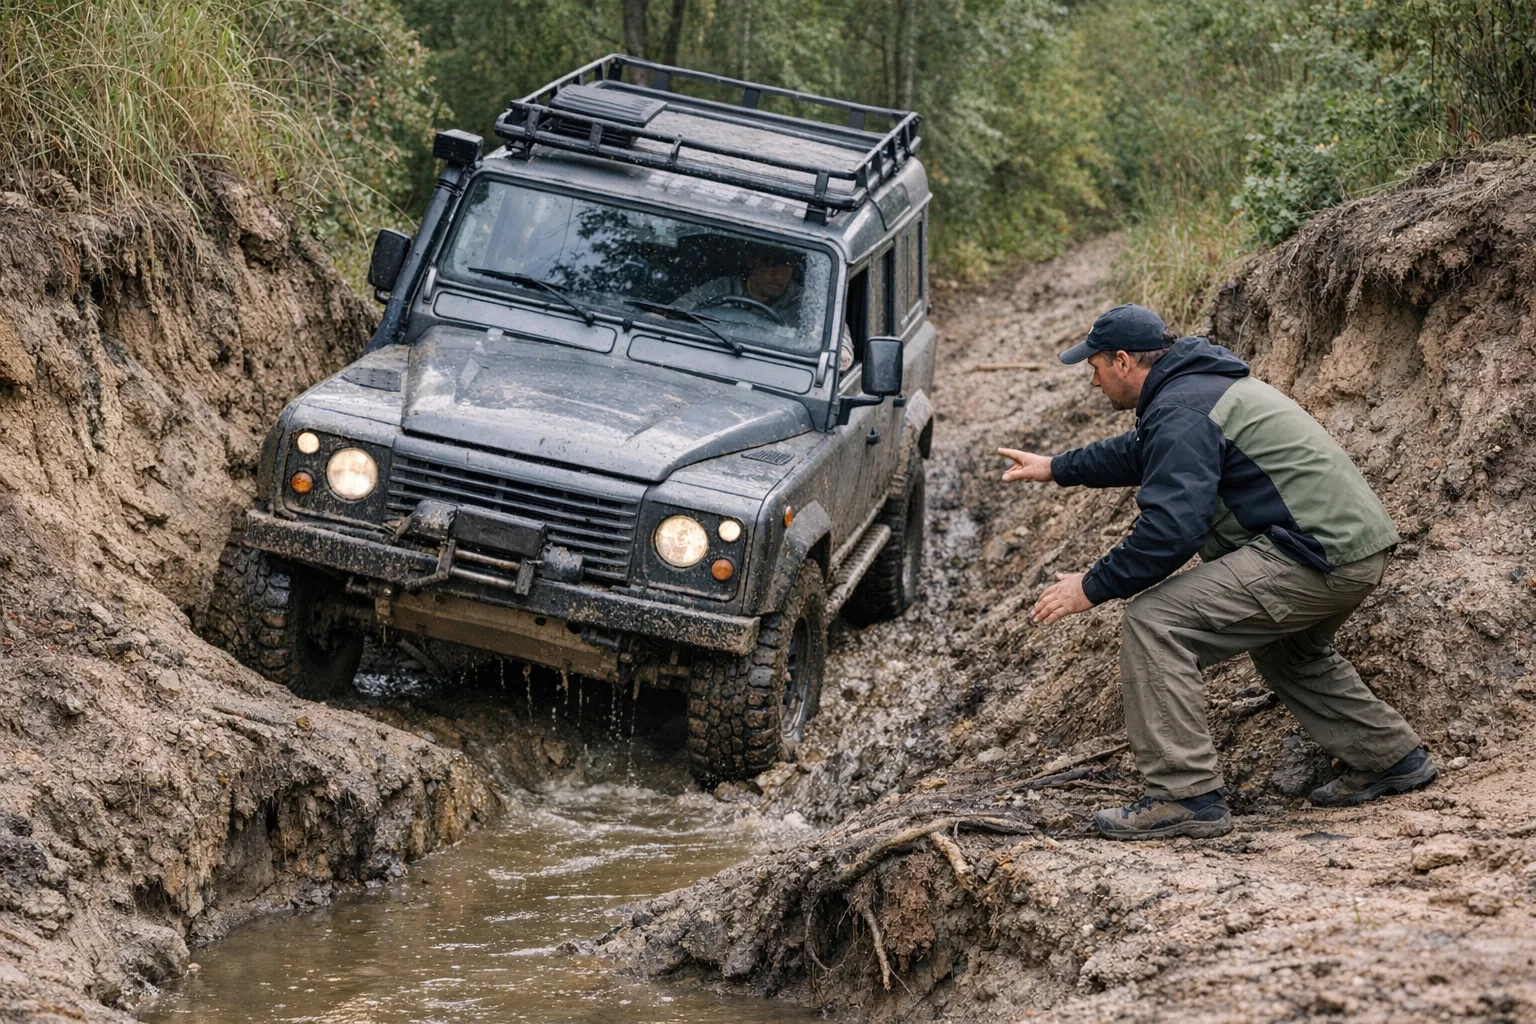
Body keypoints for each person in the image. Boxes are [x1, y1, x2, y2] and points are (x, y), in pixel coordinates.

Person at [998, 303, 1435, 841]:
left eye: (1094, 368)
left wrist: (1091, 587)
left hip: (1314, 554)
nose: (1093, 381)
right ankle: (1392, 757)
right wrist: (1055, 468)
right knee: (1289, 652)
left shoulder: (1183, 408)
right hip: (1353, 550)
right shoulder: (1195, 391)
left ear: (1123, 361)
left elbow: (1172, 531)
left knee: (1155, 622)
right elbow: (1139, 452)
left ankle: (1184, 796)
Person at [680, 246, 855, 372]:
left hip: (777, 371)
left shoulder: (804, 302)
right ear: (753, 263)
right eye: (770, 265)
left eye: (786, 267)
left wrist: (841, 352)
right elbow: (675, 311)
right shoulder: (722, 288)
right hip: (714, 358)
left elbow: (837, 334)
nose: (778, 275)